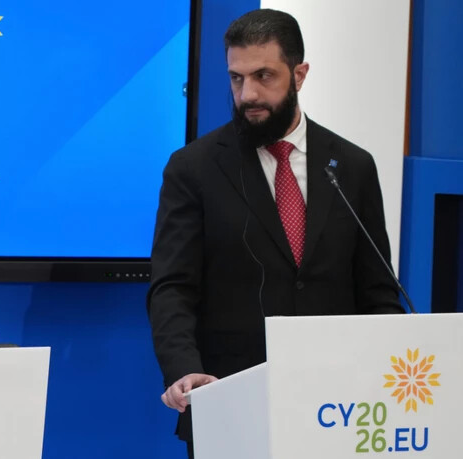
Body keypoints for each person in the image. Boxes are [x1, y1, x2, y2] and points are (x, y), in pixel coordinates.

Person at [146, 9, 404, 458]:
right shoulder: (194, 169)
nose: (248, 94)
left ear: (299, 74)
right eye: (236, 78)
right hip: (229, 402)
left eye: (264, 76)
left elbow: (378, 292)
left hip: (340, 408)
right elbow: (172, 287)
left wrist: (394, 372)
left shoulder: (352, 166)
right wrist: (184, 369)